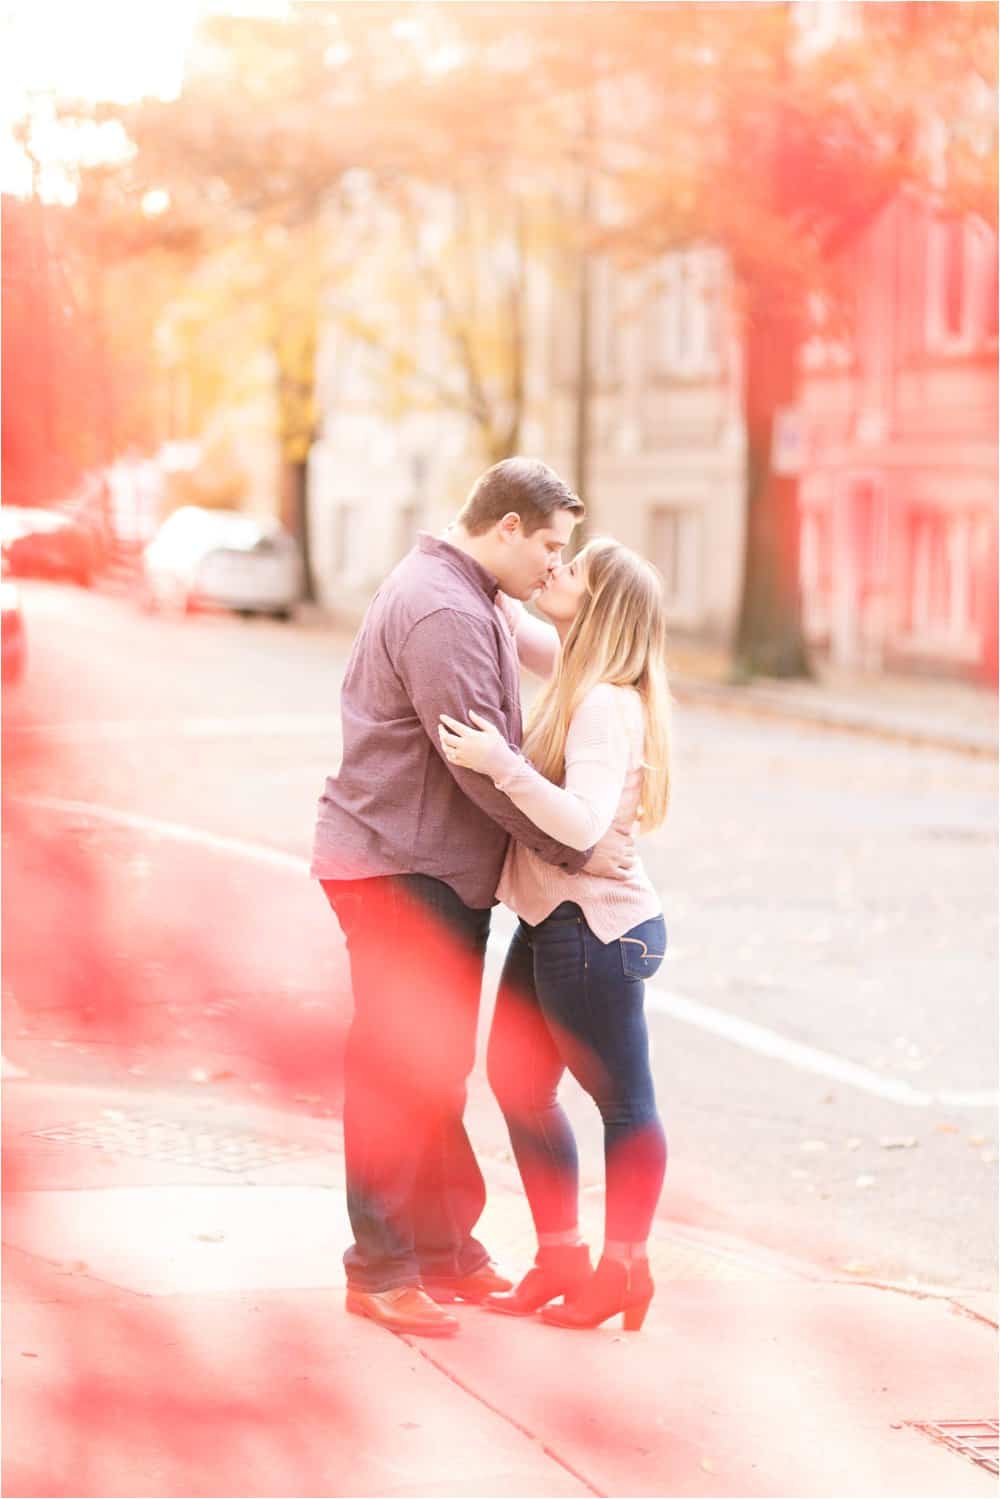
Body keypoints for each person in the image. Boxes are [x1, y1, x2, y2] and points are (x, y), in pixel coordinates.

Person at [311, 459, 636, 1337]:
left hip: (429, 868)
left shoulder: (480, 595)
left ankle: (444, 1250)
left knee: (434, 1065)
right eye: (550, 547)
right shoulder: (448, 609)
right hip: (399, 870)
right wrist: (567, 844)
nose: (555, 567)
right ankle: (381, 1270)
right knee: (396, 1068)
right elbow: (483, 767)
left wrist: (580, 620)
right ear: (506, 530)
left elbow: (579, 650)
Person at [438, 536, 671, 1332]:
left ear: (599, 604)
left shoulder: (606, 702)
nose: (557, 571)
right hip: (550, 921)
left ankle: (624, 1270)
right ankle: (563, 1256)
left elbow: (580, 821)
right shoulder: (578, 672)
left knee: (624, 1106)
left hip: (593, 929)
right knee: (515, 1078)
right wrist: (482, 562)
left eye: (574, 569)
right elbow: (514, 619)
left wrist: (501, 763)